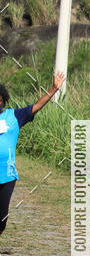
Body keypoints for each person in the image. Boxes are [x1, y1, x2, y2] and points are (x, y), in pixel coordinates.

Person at [0, 71, 65, 237]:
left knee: (2, 219)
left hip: (6, 177)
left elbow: (35, 107)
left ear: (2, 100)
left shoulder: (13, 116)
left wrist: (54, 88)